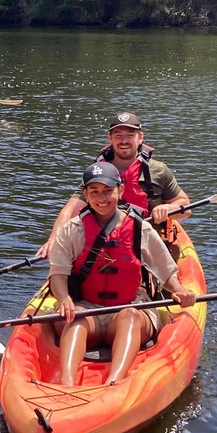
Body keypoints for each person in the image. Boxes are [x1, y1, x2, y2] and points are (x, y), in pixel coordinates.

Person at [46, 161, 198, 386]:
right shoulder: (72, 230)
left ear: (120, 190)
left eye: (108, 191)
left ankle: (115, 383)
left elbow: (166, 272)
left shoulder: (140, 228)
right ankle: (66, 384)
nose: (102, 198)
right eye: (94, 192)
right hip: (89, 309)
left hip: (130, 308)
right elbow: (57, 275)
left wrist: (180, 291)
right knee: (75, 315)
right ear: (86, 195)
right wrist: (64, 299)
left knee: (129, 315)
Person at [40, 111, 189, 256]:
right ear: (110, 138)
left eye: (130, 135)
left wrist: (168, 208)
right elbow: (71, 209)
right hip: (103, 244)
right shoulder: (98, 171)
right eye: (118, 136)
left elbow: (186, 208)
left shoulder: (158, 170)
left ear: (140, 138)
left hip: (147, 244)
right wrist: (53, 240)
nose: (124, 141)